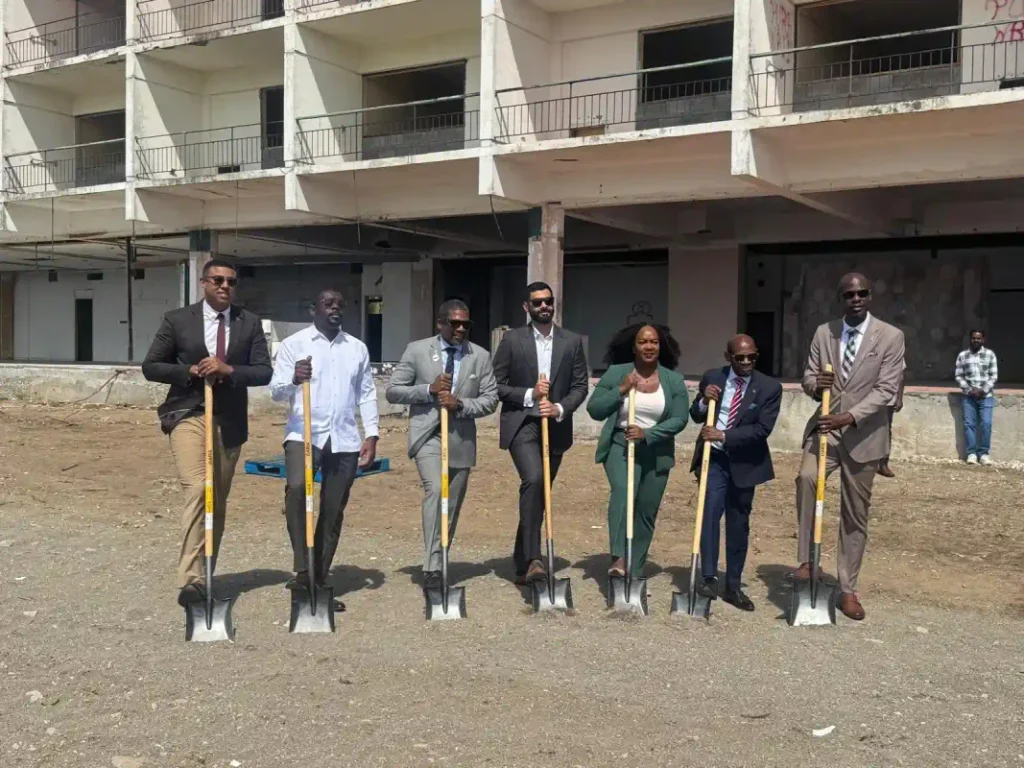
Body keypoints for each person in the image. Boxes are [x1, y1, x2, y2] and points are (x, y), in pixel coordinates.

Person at [141, 259, 272, 608]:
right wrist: (190, 370)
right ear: (204, 283)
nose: (225, 286)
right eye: (217, 280)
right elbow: (151, 366)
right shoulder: (178, 319)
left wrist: (228, 369)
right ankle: (190, 579)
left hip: (228, 421)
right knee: (200, 488)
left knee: (217, 499)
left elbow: (263, 372)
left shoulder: (249, 323)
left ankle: (207, 571)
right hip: (188, 413)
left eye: (231, 281)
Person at [795, 273, 905, 621]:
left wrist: (849, 417)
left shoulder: (890, 336)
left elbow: (887, 389)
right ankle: (807, 562)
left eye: (862, 293)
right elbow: (809, 375)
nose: (856, 298)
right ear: (840, 298)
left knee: (854, 513)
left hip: (865, 434)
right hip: (825, 430)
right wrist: (816, 386)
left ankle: (847, 589)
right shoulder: (824, 332)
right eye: (849, 294)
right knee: (806, 479)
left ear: (870, 296)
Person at [269, 289, 379, 613]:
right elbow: (275, 392)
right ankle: (303, 570)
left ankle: (318, 577)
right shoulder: (294, 345)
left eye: (339, 305)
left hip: (344, 438)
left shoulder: (357, 348)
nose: (335, 309)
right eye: (328, 304)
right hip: (304, 434)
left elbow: (367, 393)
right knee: (297, 490)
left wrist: (371, 434)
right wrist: (294, 378)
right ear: (312, 308)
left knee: (333, 509)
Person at [385, 299, 498, 590]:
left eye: (466, 324)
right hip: (428, 434)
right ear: (440, 323)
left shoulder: (480, 356)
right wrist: (428, 390)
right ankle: (432, 567)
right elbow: (393, 391)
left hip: (460, 438)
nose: (461, 329)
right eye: (455, 323)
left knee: (453, 503)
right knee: (436, 490)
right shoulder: (418, 350)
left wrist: (460, 404)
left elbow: (490, 399)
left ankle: (441, 555)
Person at [492, 282, 590, 585]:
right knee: (533, 479)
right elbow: (496, 384)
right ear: (527, 307)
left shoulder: (572, 341)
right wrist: (529, 394)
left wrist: (560, 408)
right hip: (523, 423)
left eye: (548, 301)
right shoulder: (511, 340)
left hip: (555, 426)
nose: (544, 307)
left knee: (540, 495)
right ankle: (535, 559)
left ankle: (523, 561)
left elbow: (580, 386)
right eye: (537, 303)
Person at [586, 324, 689, 580]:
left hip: (656, 451)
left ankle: (636, 567)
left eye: (653, 342)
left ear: (660, 346)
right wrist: (620, 390)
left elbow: (680, 419)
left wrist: (648, 434)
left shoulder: (673, 380)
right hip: (622, 446)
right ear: (634, 346)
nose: (649, 347)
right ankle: (618, 558)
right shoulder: (617, 373)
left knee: (646, 509)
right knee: (624, 491)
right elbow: (595, 409)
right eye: (643, 342)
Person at [689, 334, 782, 612]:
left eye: (751, 357)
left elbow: (762, 430)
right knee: (708, 516)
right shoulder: (713, 377)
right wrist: (705, 403)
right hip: (713, 460)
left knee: (738, 524)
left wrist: (724, 434)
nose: (746, 362)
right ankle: (707, 578)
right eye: (739, 357)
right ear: (728, 357)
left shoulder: (769, 387)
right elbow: (695, 414)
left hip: (745, 463)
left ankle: (733, 585)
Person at [955, 330, 998, 466]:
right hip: (969, 396)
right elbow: (959, 376)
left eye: (978, 338)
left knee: (986, 424)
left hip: (986, 396)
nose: (976, 340)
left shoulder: (990, 355)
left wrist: (982, 390)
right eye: (973, 338)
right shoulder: (963, 356)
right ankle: (971, 454)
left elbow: (993, 376)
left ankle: (984, 454)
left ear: (983, 340)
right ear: (970, 339)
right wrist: (969, 390)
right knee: (969, 425)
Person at [877, 363, 905, 478]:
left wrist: (899, 398)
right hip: (864, 398)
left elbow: (901, 375)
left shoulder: (893, 348)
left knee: (885, 432)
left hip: (886, 399)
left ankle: (883, 464)